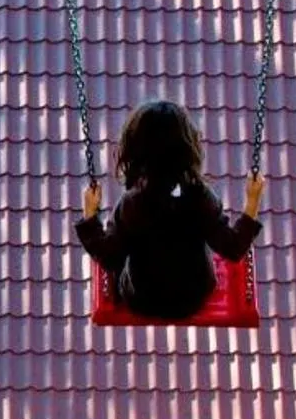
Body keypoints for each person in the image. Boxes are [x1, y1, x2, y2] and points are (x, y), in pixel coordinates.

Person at [74, 99, 263, 320]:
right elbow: (233, 247)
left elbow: (109, 257)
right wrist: (252, 200)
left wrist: (90, 214)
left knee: (120, 250)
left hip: (142, 299)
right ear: (187, 148)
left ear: (135, 151)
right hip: (193, 296)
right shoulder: (200, 197)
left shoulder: (132, 204)